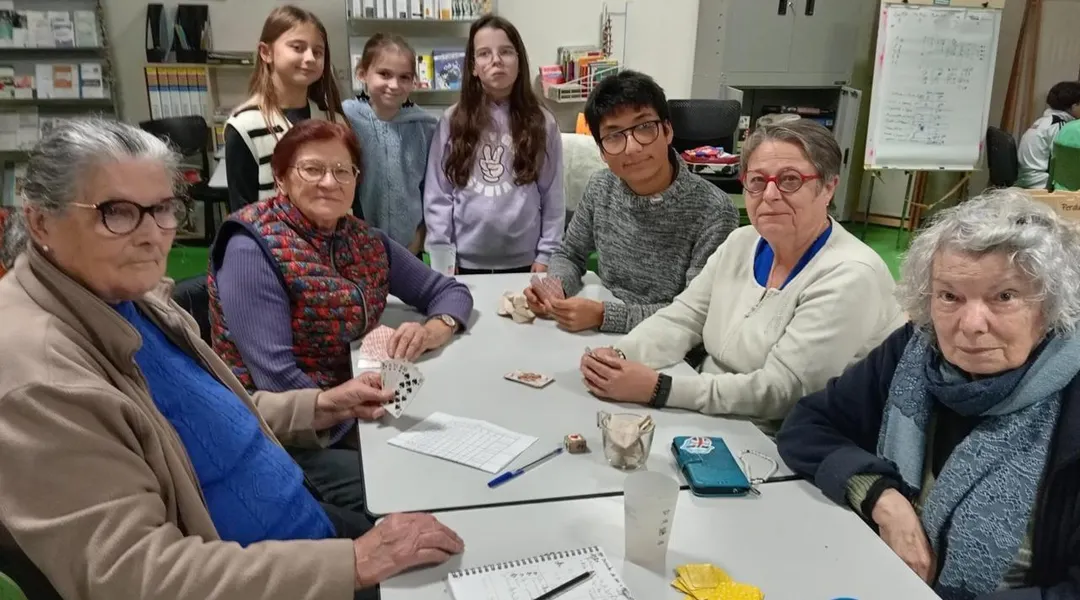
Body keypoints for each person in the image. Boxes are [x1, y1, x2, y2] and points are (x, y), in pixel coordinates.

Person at [0, 118, 463, 600]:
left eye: (162, 209)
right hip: (274, 572)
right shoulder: (38, 376)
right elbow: (133, 576)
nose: (151, 235)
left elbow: (207, 416)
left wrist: (323, 405)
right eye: (116, 212)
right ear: (40, 221)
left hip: (304, 514)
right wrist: (356, 562)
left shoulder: (121, 296)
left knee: (460, 536)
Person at [777, 190, 1080, 599]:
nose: (972, 324)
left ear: (1050, 304)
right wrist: (882, 498)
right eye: (950, 296)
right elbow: (809, 424)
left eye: (1004, 297)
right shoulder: (916, 350)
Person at [209, 119, 473, 511]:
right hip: (288, 432)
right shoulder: (252, 248)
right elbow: (279, 381)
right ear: (281, 177)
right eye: (312, 169)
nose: (329, 183)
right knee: (417, 487)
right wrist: (366, 430)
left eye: (341, 170)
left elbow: (448, 291)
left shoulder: (361, 239)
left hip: (357, 403)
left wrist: (437, 328)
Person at [579, 119, 904, 433]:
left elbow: (782, 391)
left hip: (784, 439)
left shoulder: (850, 275)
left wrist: (660, 389)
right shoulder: (742, 242)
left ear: (828, 187)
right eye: (758, 181)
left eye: (790, 180)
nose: (770, 195)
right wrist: (621, 355)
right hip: (716, 415)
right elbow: (683, 317)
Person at [529, 70, 739, 333]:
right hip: (604, 339)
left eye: (644, 127)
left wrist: (604, 316)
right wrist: (556, 288)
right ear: (602, 152)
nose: (632, 148)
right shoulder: (601, 188)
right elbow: (570, 254)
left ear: (667, 130)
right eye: (614, 135)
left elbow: (697, 314)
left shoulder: (714, 211)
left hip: (673, 355)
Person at [423, 15, 564, 274]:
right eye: (485, 53)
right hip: (462, 263)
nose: (496, 60)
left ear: (519, 61)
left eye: (506, 51)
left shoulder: (543, 122)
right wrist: (442, 250)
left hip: (526, 261)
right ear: (473, 66)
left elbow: (553, 195)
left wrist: (547, 253)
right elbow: (438, 193)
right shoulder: (452, 120)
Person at [224, 5, 346, 211]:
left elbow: (351, 197)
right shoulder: (245, 126)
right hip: (271, 241)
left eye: (318, 52)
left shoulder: (334, 121)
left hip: (335, 240)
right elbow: (242, 211)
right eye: (297, 48)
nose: (309, 58)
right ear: (266, 52)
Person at [344, 34, 438, 255]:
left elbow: (431, 189)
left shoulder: (425, 128)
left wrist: (420, 237)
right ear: (362, 73)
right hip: (355, 248)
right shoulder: (345, 121)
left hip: (410, 248)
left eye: (404, 77)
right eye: (384, 74)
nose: (394, 85)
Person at [1016, 80, 1080, 189]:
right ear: (1074, 106)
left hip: (1026, 178)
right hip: (1040, 182)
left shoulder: (1042, 121)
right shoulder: (1061, 127)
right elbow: (1063, 163)